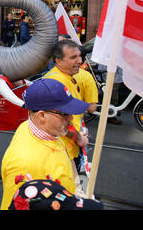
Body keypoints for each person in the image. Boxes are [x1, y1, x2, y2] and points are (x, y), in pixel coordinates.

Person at [0, 78, 90, 210]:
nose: (70, 118)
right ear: (42, 115)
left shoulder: (44, 130)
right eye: (64, 113)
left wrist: (78, 193)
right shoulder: (23, 165)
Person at [44, 40, 96, 195]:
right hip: (62, 149)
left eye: (79, 56)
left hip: (70, 145)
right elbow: (59, 122)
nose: (80, 61)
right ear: (58, 60)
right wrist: (78, 138)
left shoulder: (68, 77)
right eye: (73, 57)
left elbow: (72, 115)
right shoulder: (56, 82)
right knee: (69, 192)